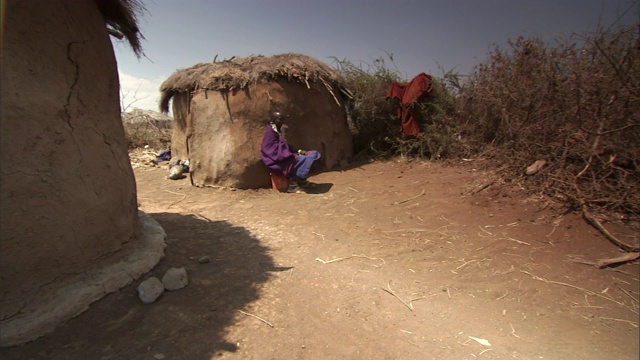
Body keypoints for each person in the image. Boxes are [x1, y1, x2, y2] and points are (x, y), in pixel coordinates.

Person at [260, 111, 321, 193]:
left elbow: (285, 146)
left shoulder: (278, 132)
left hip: (285, 157)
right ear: (273, 121)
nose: (282, 122)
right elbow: (274, 152)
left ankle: (302, 181)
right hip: (276, 162)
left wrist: (299, 151)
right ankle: (292, 184)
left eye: (283, 119)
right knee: (303, 160)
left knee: (313, 154)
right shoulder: (270, 133)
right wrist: (292, 154)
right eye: (279, 119)